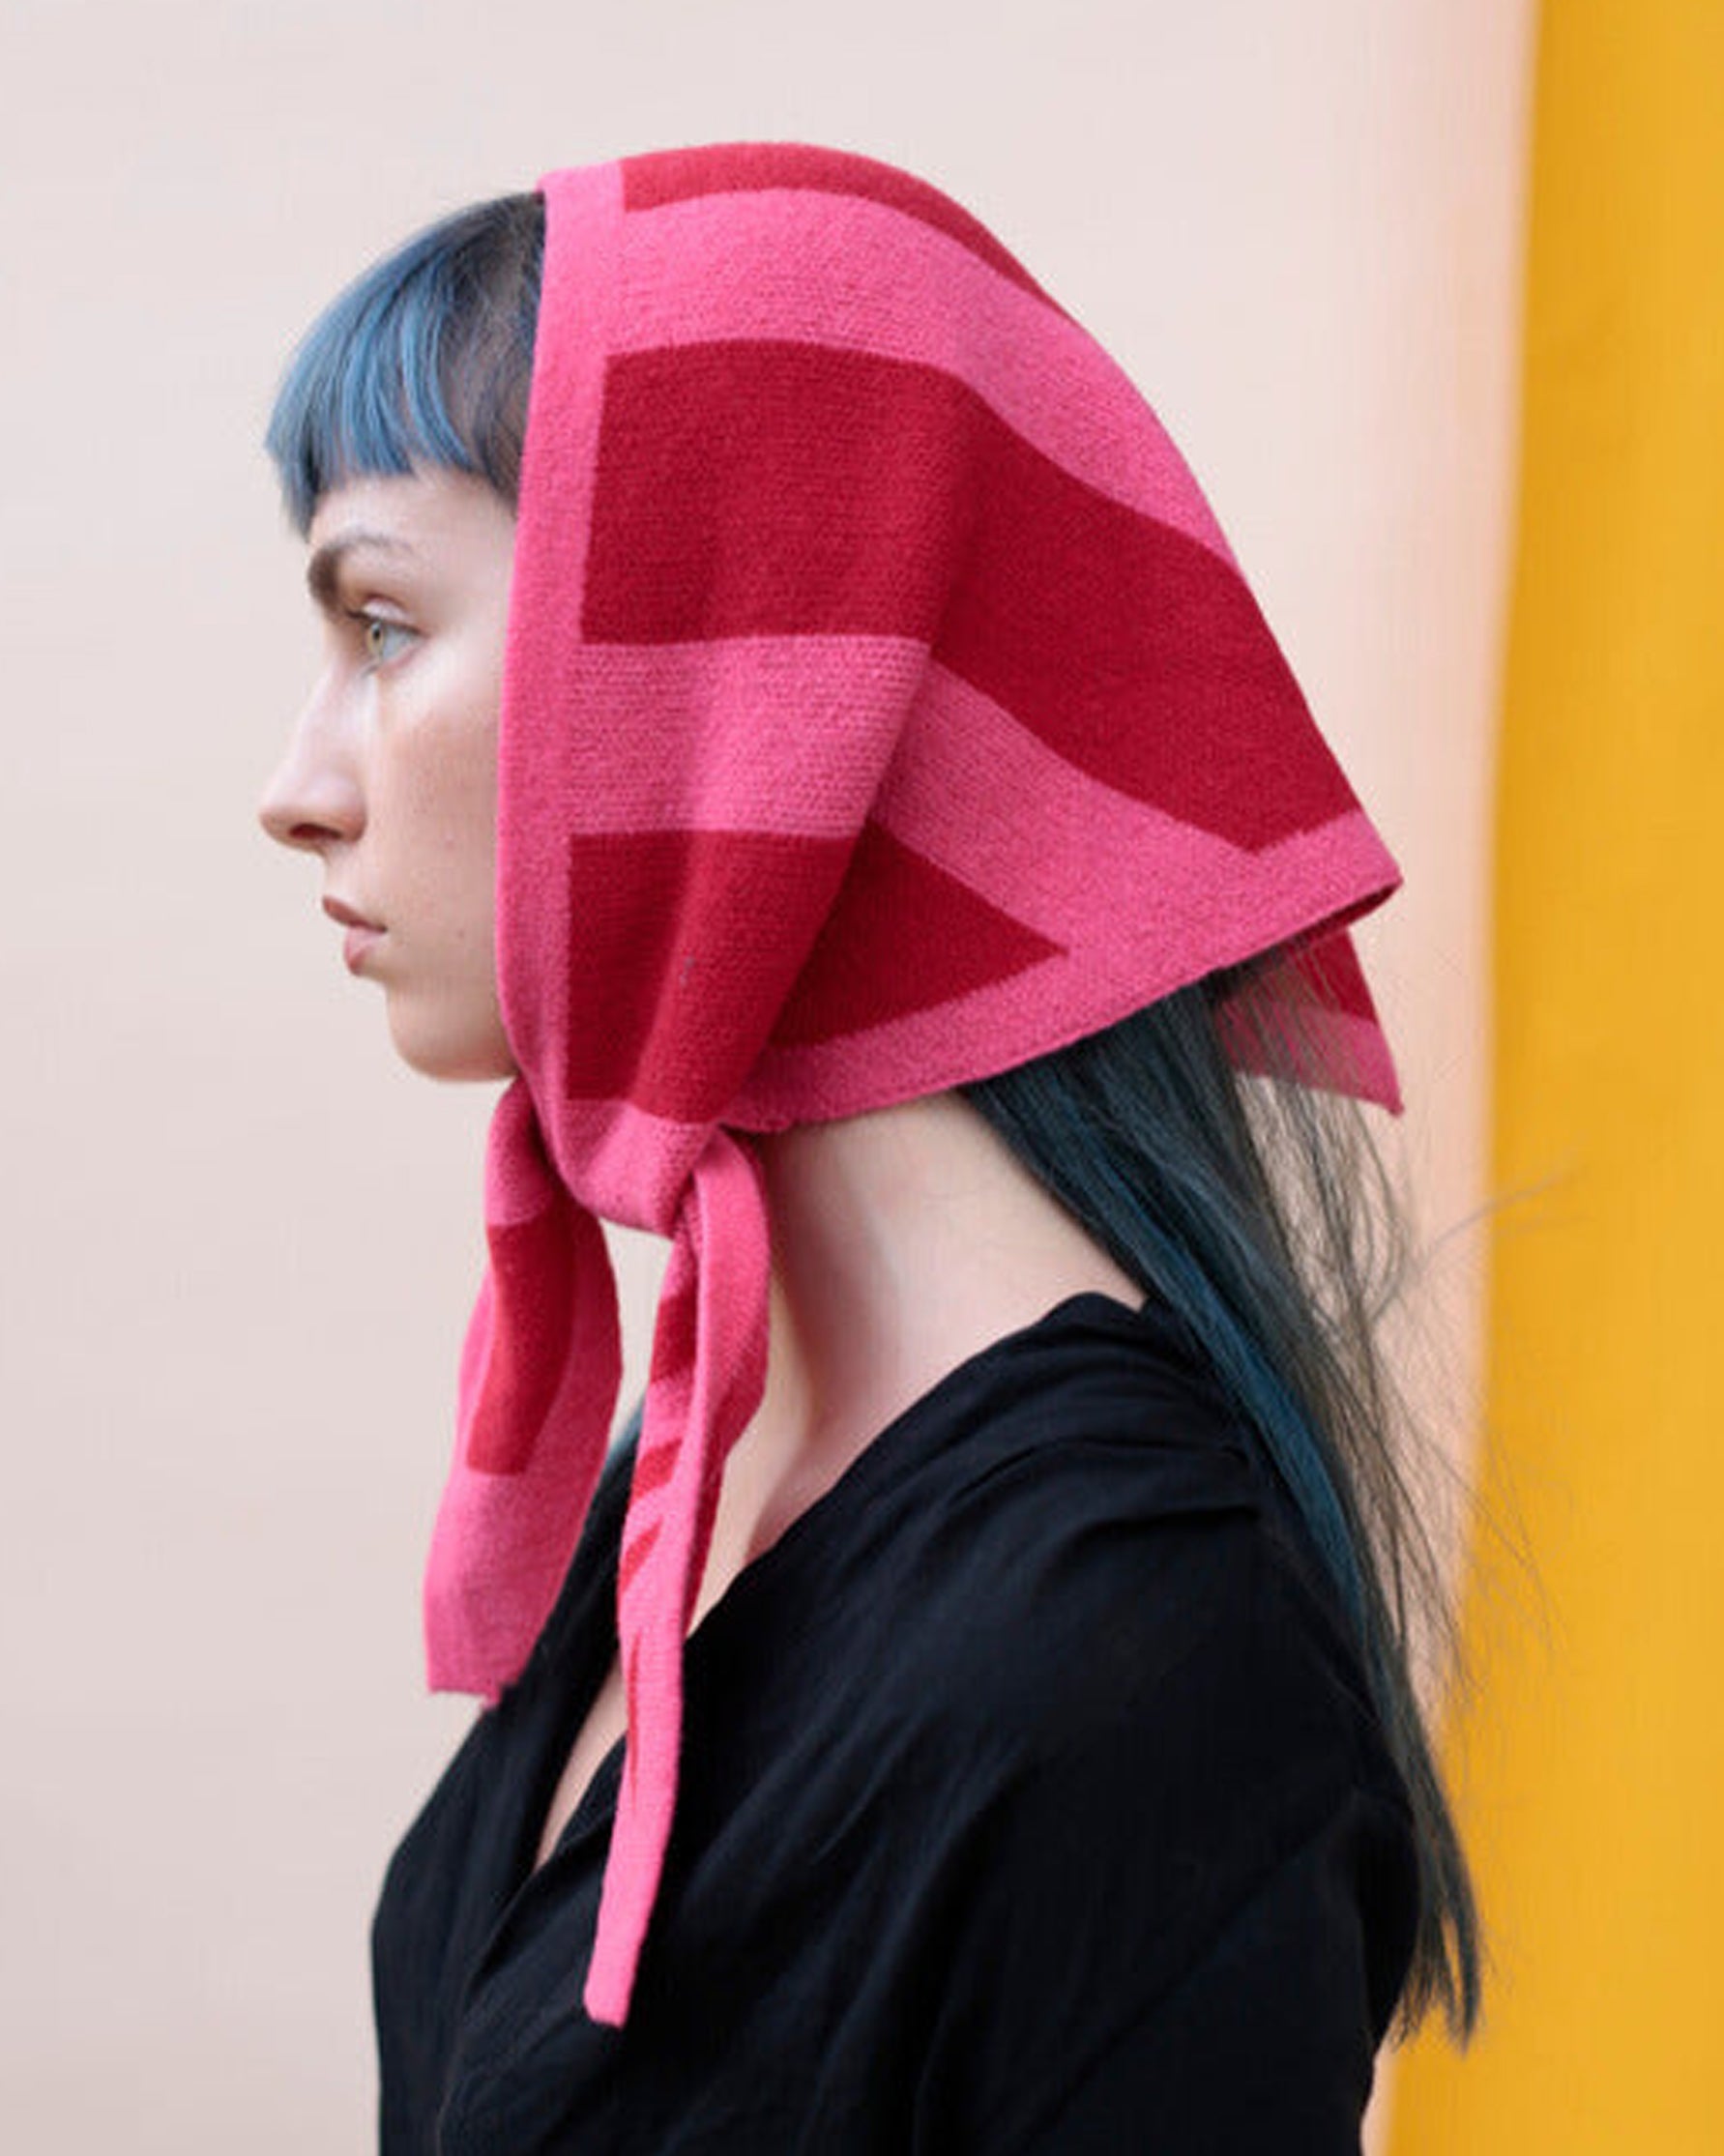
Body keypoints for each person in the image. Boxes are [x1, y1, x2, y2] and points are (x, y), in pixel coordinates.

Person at [258, 142, 1480, 2151]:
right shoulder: (718, 1460)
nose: (295, 788)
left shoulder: (1131, 1646)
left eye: (382, 625)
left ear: (728, 660)